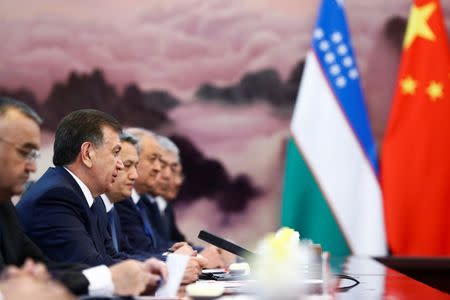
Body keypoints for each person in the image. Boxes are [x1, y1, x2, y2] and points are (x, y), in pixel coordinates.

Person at [0, 97, 166, 296]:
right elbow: (88, 265)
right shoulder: (55, 196)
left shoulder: (5, 206)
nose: (33, 167)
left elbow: (46, 269)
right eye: (24, 152)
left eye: (34, 155)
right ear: (87, 153)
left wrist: (146, 270)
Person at [114, 128, 205, 283]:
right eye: (154, 159)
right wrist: (173, 261)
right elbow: (137, 251)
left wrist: (177, 254)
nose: (159, 170)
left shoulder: (143, 202)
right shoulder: (120, 202)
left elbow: (151, 246)